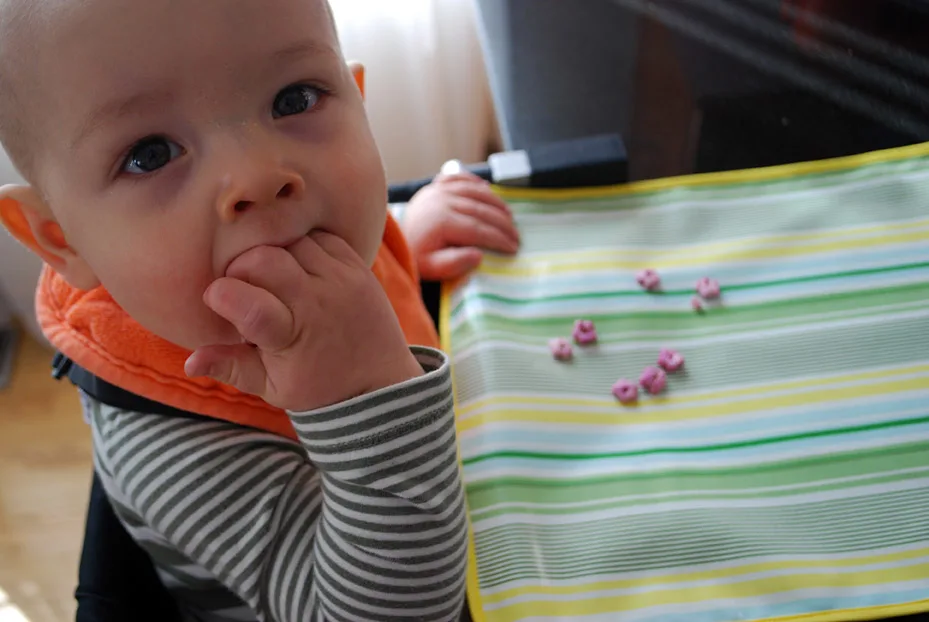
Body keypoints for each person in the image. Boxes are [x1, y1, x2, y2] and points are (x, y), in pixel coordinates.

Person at [0, 0, 519, 620]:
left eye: (295, 99)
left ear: (359, 102)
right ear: (61, 238)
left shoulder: (301, 234)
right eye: (151, 154)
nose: (257, 175)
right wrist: (365, 394)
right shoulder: (174, 451)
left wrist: (400, 227)